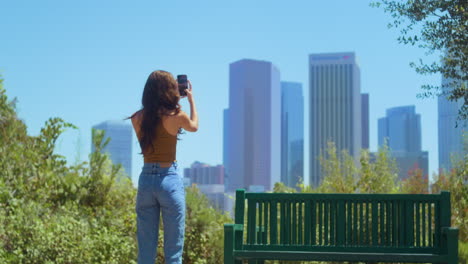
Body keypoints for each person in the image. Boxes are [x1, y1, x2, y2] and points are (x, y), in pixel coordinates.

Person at [128, 70, 198, 264]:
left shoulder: (136, 118)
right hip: (169, 180)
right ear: (169, 89)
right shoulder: (176, 115)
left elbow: (155, 122)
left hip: (146, 181)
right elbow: (194, 126)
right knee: (173, 251)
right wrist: (190, 100)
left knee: (145, 250)